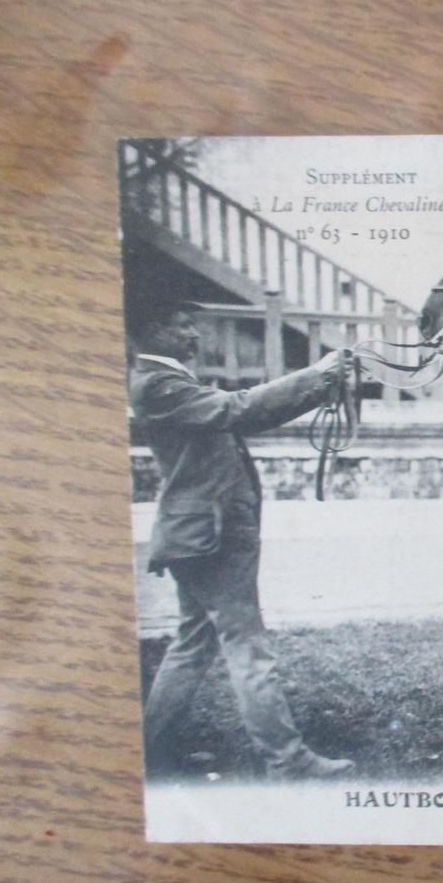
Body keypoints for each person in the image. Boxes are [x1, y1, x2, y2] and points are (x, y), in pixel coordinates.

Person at [130, 300, 355, 780]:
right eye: (182, 323)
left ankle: (149, 753)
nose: (194, 334)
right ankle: (287, 759)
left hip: (198, 535)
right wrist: (317, 376)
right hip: (211, 537)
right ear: (152, 329)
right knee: (247, 646)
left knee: (192, 643)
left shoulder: (166, 382)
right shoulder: (159, 384)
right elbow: (240, 410)